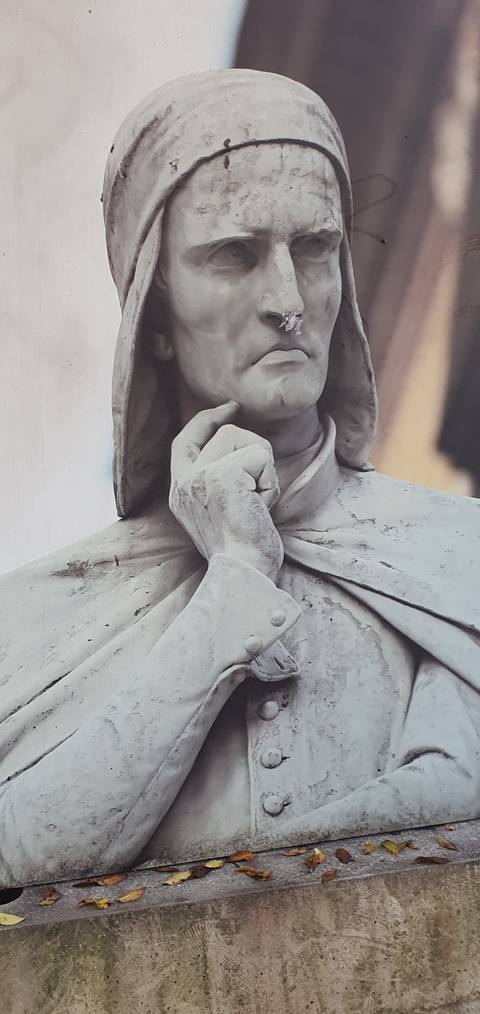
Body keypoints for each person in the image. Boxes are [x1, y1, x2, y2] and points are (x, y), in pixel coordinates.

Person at [1, 70, 479, 888]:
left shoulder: (458, 558)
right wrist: (232, 588)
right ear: (153, 319)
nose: (289, 301)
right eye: (235, 256)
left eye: (318, 249)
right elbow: (23, 848)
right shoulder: (32, 623)